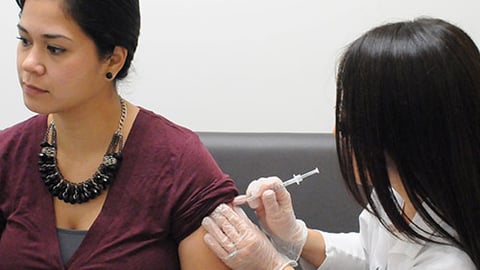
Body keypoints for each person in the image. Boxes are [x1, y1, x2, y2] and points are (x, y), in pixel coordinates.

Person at [201, 17, 480, 269]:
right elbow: (371, 254)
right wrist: (295, 236)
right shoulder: (403, 194)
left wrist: (272, 265)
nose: (337, 132)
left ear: (404, 133)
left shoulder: (451, 263)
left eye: (348, 123)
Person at [0, 0, 238, 269]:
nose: (30, 64)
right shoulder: (7, 154)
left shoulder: (180, 164)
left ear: (113, 59)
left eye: (55, 49)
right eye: (24, 40)